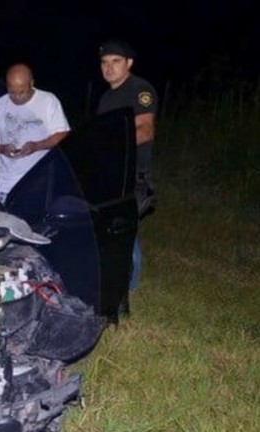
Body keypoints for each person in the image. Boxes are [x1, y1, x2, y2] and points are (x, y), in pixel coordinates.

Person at [96, 39, 158, 295]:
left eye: (115, 62)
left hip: (132, 176)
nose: (109, 68)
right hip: (110, 174)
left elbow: (145, 130)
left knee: (125, 233)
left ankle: (129, 288)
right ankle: (112, 279)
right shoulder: (106, 98)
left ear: (128, 63)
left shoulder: (140, 89)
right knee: (110, 230)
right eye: (104, 63)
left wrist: (110, 141)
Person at [0, 63, 71, 204]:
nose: (17, 97)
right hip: (4, 185)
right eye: (12, 91)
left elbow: (62, 133)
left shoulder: (48, 101)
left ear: (31, 84)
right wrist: (1, 148)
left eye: (22, 92)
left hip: (37, 185)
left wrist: (37, 146)